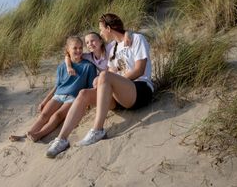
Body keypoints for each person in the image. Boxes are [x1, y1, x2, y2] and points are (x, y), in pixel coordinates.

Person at [46, 13, 154, 158]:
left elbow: (139, 69)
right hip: (119, 98)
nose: (101, 33)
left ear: (108, 28)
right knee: (84, 93)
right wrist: (101, 81)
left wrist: (110, 78)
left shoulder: (136, 39)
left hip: (140, 90)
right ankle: (61, 139)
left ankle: (98, 130)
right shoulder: (111, 48)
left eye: (101, 29)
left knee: (103, 76)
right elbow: (75, 55)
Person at [23, 36, 97, 142]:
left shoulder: (88, 66)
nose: (78, 50)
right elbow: (57, 87)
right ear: (68, 50)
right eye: (75, 48)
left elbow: (90, 87)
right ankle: (28, 133)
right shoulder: (62, 67)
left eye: (80, 48)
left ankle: (39, 134)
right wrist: (45, 101)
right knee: (44, 114)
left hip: (73, 97)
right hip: (58, 95)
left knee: (57, 116)